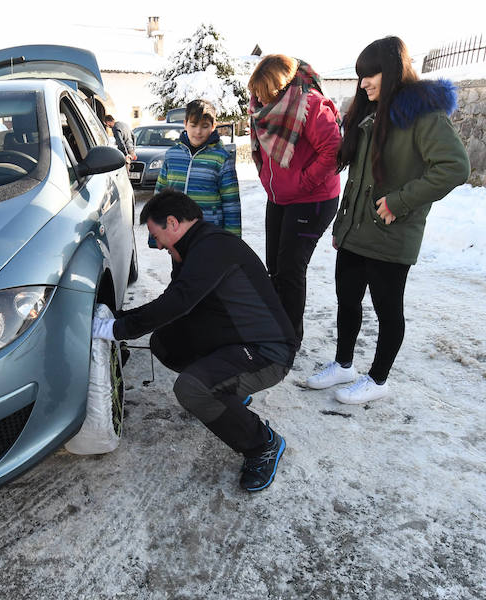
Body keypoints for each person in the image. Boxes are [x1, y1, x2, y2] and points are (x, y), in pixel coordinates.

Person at [92, 189, 296, 492]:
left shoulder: (212, 248)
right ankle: (227, 395)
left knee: (192, 389)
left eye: (156, 235)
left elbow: (178, 302)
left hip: (268, 354)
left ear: (172, 223)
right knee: (165, 342)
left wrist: (116, 328)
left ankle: (262, 444)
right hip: (234, 340)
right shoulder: (193, 248)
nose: (157, 245)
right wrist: (123, 319)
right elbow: (175, 307)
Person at [306, 36, 470, 404]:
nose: (363, 83)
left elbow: (455, 166)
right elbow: (356, 177)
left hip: (391, 231)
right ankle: (344, 364)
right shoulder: (367, 111)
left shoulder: (421, 115)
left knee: (387, 309)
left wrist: (400, 201)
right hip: (355, 232)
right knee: (347, 300)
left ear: (393, 70)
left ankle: (378, 380)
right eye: (360, 76)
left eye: (371, 74)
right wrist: (342, 224)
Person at [248, 55, 342, 345]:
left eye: (265, 94)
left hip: (312, 199)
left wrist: (303, 183)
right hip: (279, 197)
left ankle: (289, 337)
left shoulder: (310, 105)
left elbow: (334, 151)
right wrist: (267, 177)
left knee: (290, 268)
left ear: (280, 87)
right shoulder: (262, 109)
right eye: (256, 94)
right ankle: (275, 325)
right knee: (274, 266)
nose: (259, 100)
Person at [153, 99, 241, 242]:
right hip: (177, 235)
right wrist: (156, 233)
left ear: (213, 126)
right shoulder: (172, 155)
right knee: (181, 265)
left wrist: (233, 242)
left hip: (209, 234)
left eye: (204, 126)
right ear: (185, 124)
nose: (198, 132)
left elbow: (231, 204)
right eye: (193, 125)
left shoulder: (221, 158)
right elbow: (160, 195)